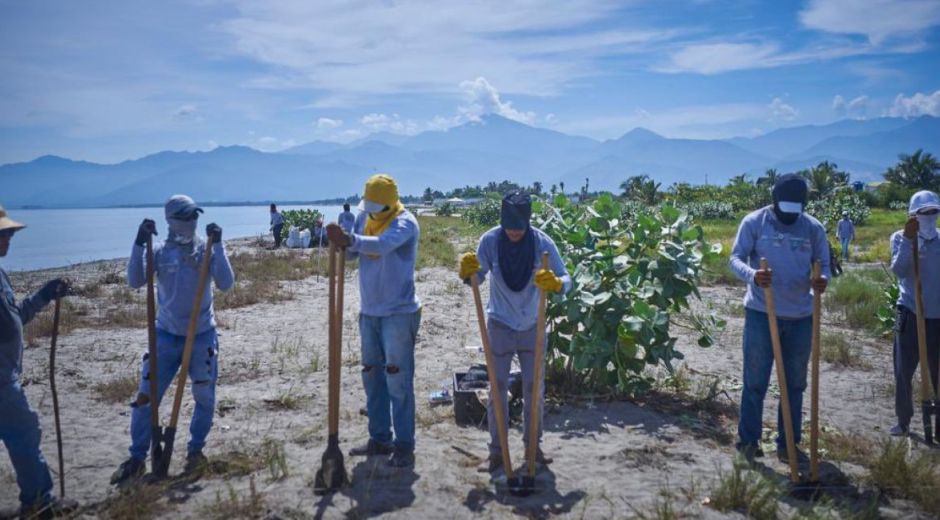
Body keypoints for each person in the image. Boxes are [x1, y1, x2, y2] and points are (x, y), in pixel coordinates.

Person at [110, 195, 235, 484]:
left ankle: (195, 452)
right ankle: (137, 457)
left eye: (195, 216)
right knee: (145, 397)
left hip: (202, 334)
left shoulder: (206, 251)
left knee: (204, 396)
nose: (191, 222)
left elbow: (227, 284)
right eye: (185, 217)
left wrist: (219, 244)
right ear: (171, 220)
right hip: (165, 336)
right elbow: (135, 280)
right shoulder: (161, 251)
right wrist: (139, 242)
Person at [458, 192, 571, 472]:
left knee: (535, 390)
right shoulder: (490, 241)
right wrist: (467, 274)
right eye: (509, 226)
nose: (513, 232)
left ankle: (534, 447)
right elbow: (477, 277)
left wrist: (556, 284)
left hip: (533, 325)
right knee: (496, 390)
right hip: (500, 325)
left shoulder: (542, 243)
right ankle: (497, 452)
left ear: (528, 222)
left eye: (519, 228)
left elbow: (568, 279)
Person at [729, 174, 830, 462]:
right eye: (784, 208)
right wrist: (754, 276)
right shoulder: (754, 222)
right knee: (755, 382)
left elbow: (824, 265)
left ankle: (788, 443)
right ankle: (748, 441)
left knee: (794, 384)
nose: (789, 215)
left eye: (794, 210)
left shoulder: (813, 228)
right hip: (762, 313)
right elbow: (735, 258)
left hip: (801, 317)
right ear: (774, 201)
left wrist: (822, 280)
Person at [326, 174, 421, 467]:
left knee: (397, 378)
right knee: (372, 376)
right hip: (370, 312)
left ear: (390, 204)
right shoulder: (363, 216)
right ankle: (379, 439)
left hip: (399, 313)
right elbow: (354, 254)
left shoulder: (405, 223)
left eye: (375, 208)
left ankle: (404, 444)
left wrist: (351, 239)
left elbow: (381, 245)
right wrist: (343, 242)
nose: (370, 212)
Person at [0, 205, 76, 518]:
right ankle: (39, 502)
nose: (9, 239)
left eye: (10, 233)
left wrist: (44, 295)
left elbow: (15, 317)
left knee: (24, 433)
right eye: (4, 233)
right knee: (25, 434)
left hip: (6, 375)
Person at [888, 190, 940, 437]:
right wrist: (910, 241)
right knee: (903, 370)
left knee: (937, 372)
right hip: (909, 312)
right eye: (924, 213)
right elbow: (899, 270)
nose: (929, 217)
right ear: (913, 215)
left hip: (937, 317)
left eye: (933, 212)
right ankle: (903, 420)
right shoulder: (899, 238)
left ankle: (937, 424)